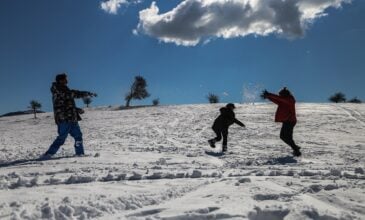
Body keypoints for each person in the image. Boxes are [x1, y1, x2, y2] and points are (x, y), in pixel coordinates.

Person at [42, 73, 97, 158]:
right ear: (61, 80)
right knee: (61, 138)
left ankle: (80, 153)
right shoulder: (57, 90)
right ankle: (49, 154)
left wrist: (76, 109)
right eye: (65, 79)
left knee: (78, 136)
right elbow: (71, 95)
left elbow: (68, 103)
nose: (67, 80)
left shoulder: (65, 90)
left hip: (72, 118)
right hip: (63, 119)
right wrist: (86, 94)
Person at [261, 87, 301, 157]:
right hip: (286, 121)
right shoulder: (283, 100)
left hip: (290, 121)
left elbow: (279, 99)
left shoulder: (290, 100)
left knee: (287, 137)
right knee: (283, 137)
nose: (279, 96)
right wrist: (268, 97)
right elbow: (277, 100)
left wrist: (269, 94)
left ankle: (296, 150)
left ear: (284, 94)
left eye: (280, 94)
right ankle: (295, 148)